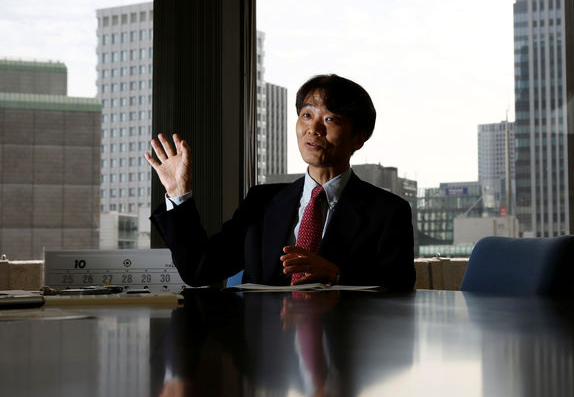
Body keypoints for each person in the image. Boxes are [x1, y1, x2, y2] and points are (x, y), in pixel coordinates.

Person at [146, 74, 416, 291]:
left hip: (339, 347)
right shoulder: (261, 202)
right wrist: (177, 193)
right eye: (307, 115)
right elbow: (199, 270)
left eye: (330, 119)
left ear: (359, 138)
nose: (313, 129)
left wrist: (337, 274)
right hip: (266, 348)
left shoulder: (388, 211)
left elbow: (400, 287)